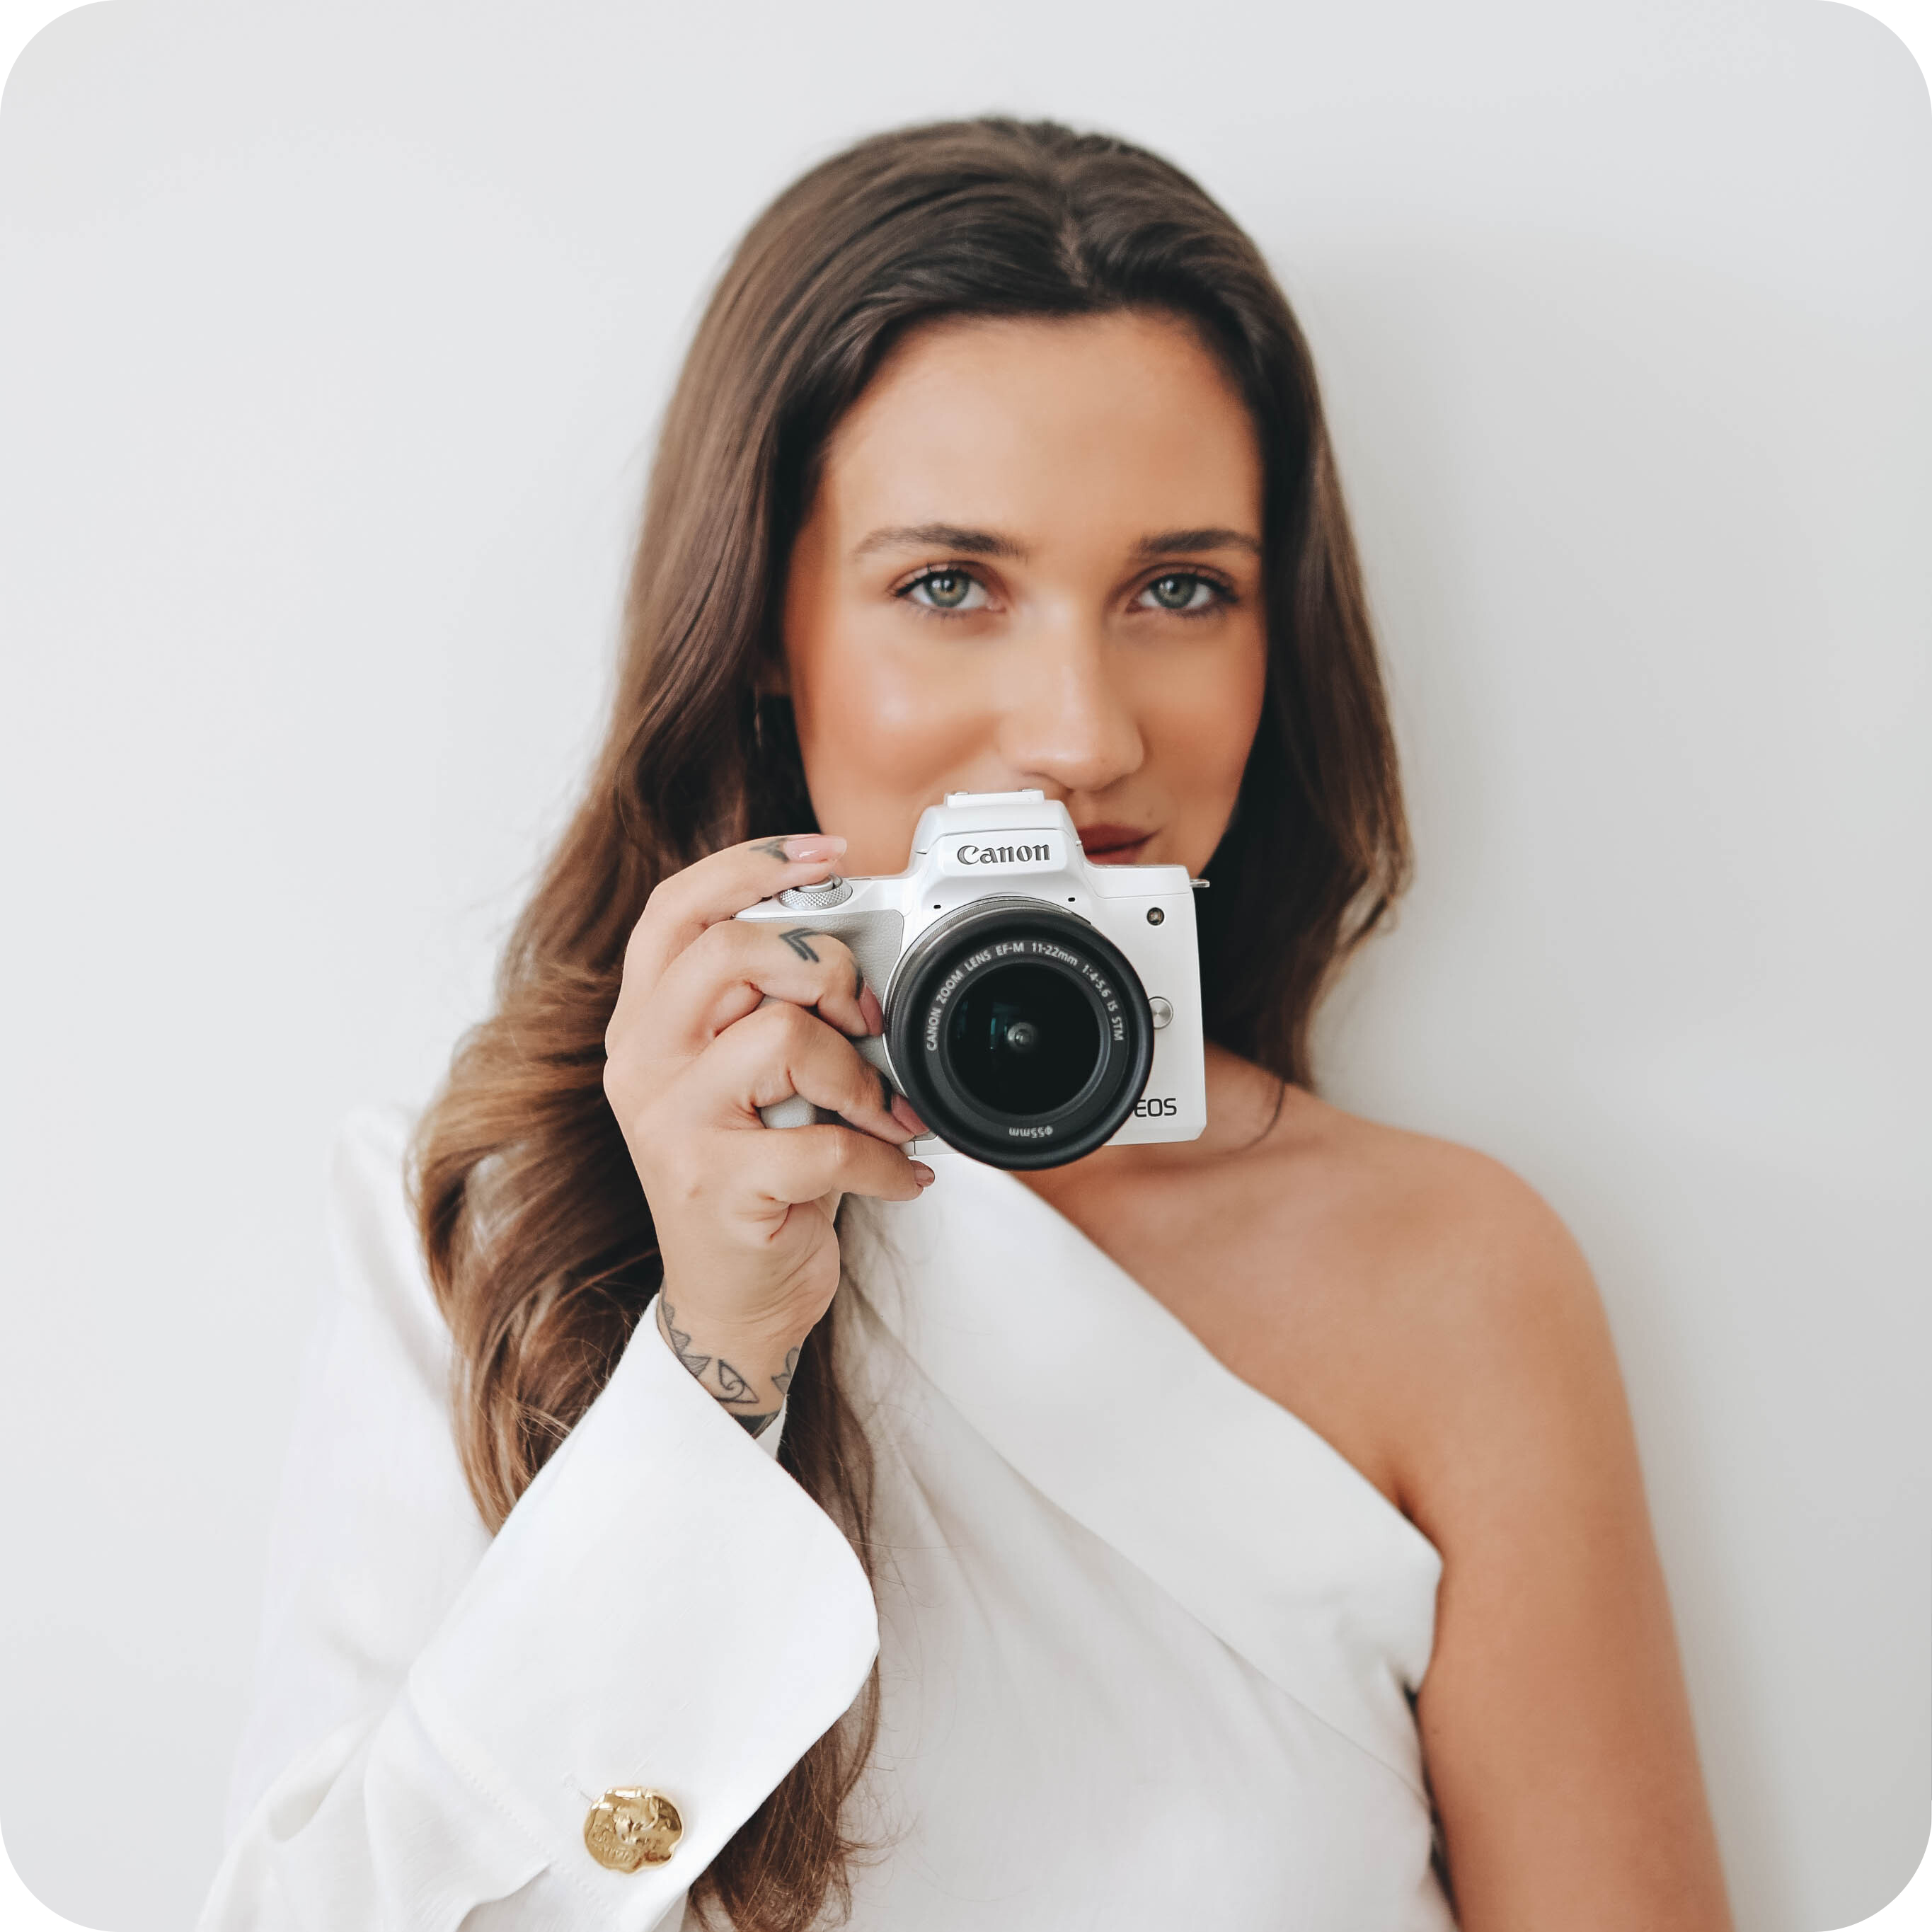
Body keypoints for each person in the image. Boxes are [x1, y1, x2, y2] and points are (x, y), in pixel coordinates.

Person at [202, 117, 1733, 1931]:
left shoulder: (1455, 1274)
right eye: (951, 585)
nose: (1083, 732)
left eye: (1182, 590)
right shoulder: (483, 1223)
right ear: (769, 624)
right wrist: (711, 1356)